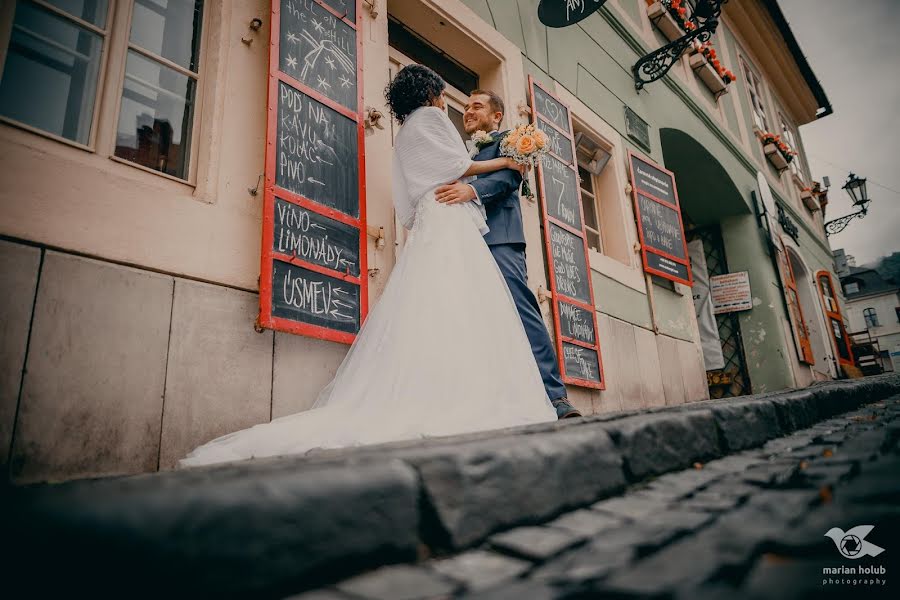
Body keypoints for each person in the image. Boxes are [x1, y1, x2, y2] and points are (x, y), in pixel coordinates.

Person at [180, 65, 557, 467]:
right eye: (443, 94)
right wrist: (509, 163)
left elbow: (414, 195)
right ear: (430, 93)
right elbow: (458, 169)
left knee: (437, 306)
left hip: (433, 220)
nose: (449, 103)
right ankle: (470, 393)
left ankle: (440, 390)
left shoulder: (407, 131)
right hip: (448, 220)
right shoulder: (430, 119)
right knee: (462, 305)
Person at [434, 90, 582, 419]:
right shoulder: (468, 148)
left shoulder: (509, 139)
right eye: (467, 106)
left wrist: (470, 189)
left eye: (477, 106)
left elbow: (509, 176)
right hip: (465, 241)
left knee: (522, 313)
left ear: (496, 116)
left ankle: (556, 397)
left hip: (500, 239)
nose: (468, 111)